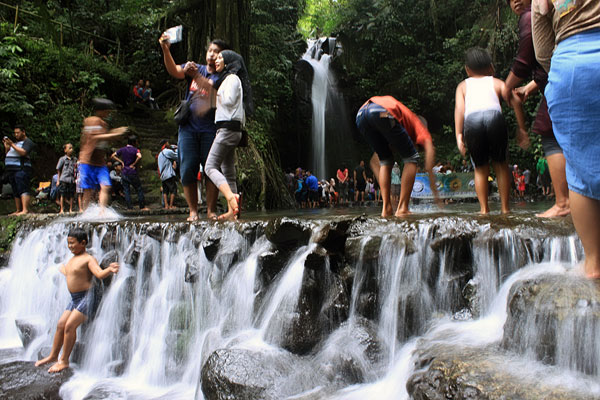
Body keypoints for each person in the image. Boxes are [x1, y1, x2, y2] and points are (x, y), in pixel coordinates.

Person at [532, 0, 600, 279]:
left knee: (579, 172)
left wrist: (562, 65)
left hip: (572, 62)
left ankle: (594, 263)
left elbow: (543, 47)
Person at [503, 0, 570, 218]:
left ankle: (563, 202)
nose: (516, 1)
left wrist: (508, 85)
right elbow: (547, 54)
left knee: (550, 135)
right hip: (563, 76)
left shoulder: (531, 15)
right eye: (511, 0)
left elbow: (526, 58)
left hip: (562, 79)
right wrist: (530, 88)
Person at [159, 34, 230, 221]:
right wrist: (166, 49)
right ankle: (192, 211)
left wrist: (196, 76)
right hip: (188, 128)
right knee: (187, 168)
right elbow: (174, 70)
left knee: (210, 169)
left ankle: (211, 210)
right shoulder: (195, 68)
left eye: (217, 52)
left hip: (210, 129)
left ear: (223, 57)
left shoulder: (223, 76)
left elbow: (214, 96)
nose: (212, 55)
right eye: (210, 51)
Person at [454, 47, 529, 214]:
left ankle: (484, 210)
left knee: (480, 168)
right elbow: (515, 101)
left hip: (472, 121)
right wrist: (522, 129)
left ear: (467, 69)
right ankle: (505, 208)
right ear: (490, 67)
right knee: (501, 165)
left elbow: (460, 109)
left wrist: (459, 135)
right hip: (494, 118)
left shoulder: (463, 86)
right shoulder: (496, 82)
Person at [35, 228, 119, 373]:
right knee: (61, 324)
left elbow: (98, 274)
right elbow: (72, 273)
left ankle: (64, 360)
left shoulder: (89, 259)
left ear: (83, 243)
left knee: (69, 326)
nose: (70, 246)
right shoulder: (73, 259)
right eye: (68, 243)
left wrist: (110, 270)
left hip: (87, 297)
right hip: (75, 298)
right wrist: (64, 270)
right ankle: (53, 355)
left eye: (73, 243)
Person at [356, 96, 440, 217]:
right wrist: (435, 192)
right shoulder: (419, 126)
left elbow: (374, 162)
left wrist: (388, 194)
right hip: (382, 112)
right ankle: (403, 208)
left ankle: (386, 209)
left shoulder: (397, 127)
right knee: (412, 157)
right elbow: (430, 158)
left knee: (386, 159)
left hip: (361, 115)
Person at [202, 50, 253, 220]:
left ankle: (231, 198)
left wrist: (214, 93)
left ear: (230, 62)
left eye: (221, 58)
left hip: (227, 130)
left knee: (210, 167)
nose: (217, 61)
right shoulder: (228, 79)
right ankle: (233, 212)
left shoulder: (231, 79)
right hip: (232, 130)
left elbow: (230, 100)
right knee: (228, 170)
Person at [79, 98, 128, 211]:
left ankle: (102, 211)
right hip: (88, 161)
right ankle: (84, 213)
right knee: (88, 190)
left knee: (106, 186)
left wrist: (116, 134)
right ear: (100, 110)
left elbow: (105, 140)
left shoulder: (104, 124)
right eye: (107, 110)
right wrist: (114, 134)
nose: (109, 113)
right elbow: (94, 137)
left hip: (100, 162)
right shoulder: (92, 121)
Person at [3, 125, 35, 215]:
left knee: (22, 188)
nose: (16, 134)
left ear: (23, 132)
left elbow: (23, 152)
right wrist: (7, 148)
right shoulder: (16, 143)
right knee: (15, 189)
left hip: (22, 168)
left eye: (18, 132)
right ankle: (18, 209)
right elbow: (8, 154)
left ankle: (25, 209)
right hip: (12, 169)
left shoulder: (28, 142)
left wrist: (12, 144)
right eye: (15, 133)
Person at [111, 135, 149, 211]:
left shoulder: (123, 149)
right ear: (134, 142)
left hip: (124, 172)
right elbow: (140, 156)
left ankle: (129, 208)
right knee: (139, 189)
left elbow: (113, 155)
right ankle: (142, 207)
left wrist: (121, 162)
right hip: (132, 172)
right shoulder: (135, 150)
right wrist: (134, 164)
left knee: (127, 191)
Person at [56, 143, 77, 213]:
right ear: (65, 150)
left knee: (71, 194)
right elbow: (58, 169)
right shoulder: (62, 159)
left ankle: (71, 209)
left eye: (72, 148)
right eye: (69, 148)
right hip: (64, 178)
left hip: (71, 179)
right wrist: (58, 180)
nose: (71, 150)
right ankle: (61, 209)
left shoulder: (74, 159)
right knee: (62, 194)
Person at [158, 139, 178, 209]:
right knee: (173, 189)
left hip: (163, 175)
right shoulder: (167, 152)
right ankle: (171, 205)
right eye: (168, 143)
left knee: (165, 191)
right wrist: (176, 148)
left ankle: (166, 205)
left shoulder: (160, 154)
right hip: (169, 174)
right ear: (166, 144)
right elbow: (177, 156)